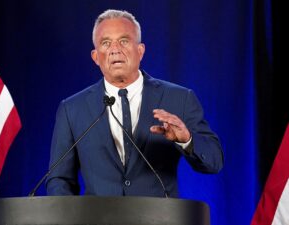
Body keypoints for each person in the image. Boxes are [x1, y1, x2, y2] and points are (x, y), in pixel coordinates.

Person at [46, 9, 224, 197]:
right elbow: (60, 179)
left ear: (140, 51)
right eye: (105, 43)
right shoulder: (72, 109)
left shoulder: (179, 98)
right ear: (96, 57)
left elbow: (214, 161)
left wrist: (187, 140)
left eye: (123, 41)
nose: (115, 49)